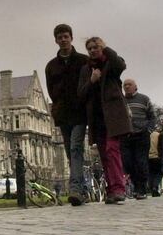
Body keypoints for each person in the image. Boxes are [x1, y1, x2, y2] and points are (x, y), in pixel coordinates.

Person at [77, 37, 130, 204]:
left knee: (112, 150)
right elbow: (81, 94)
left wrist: (106, 49)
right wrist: (92, 81)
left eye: (96, 47)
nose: (93, 50)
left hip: (113, 116)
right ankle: (111, 190)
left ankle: (118, 188)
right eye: (90, 48)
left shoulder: (111, 63)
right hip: (97, 118)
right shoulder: (86, 70)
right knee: (104, 155)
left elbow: (121, 65)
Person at [45, 24, 90, 206]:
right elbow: (51, 91)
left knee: (75, 148)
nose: (63, 39)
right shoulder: (51, 66)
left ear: (71, 38)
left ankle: (75, 190)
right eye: (60, 37)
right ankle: (83, 189)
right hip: (63, 114)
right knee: (71, 152)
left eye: (66, 36)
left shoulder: (83, 60)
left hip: (79, 112)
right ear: (56, 40)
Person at [122, 79, 156, 200]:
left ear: (135, 87)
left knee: (141, 162)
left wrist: (149, 130)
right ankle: (137, 186)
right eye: (124, 85)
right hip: (126, 136)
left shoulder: (144, 99)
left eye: (129, 85)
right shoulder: (121, 100)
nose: (126, 87)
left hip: (142, 135)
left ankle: (141, 188)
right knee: (128, 162)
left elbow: (152, 117)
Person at [148, 126, 163, 196]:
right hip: (157, 156)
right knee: (159, 173)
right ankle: (155, 186)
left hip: (148, 157)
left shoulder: (147, 135)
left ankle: (152, 189)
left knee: (151, 173)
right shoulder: (158, 135)